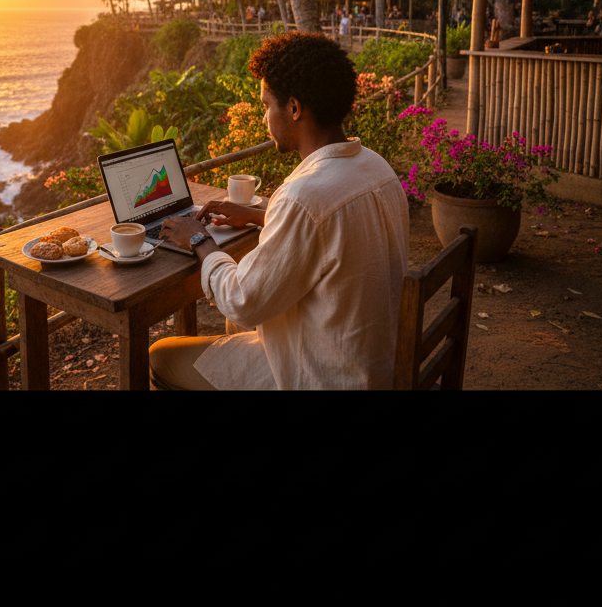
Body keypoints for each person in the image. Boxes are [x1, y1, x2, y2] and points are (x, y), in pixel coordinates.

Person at [149, 31, 409, 390]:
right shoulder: (376, 168)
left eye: (266, 105)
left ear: (295, 108)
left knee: (161, 356)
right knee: (236, 327)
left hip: (328, 373)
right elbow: (330, 225)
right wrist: (259, 214)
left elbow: (243, 300)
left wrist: (198, 239)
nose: (264, 118)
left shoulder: (303, 196)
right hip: (374, 359)